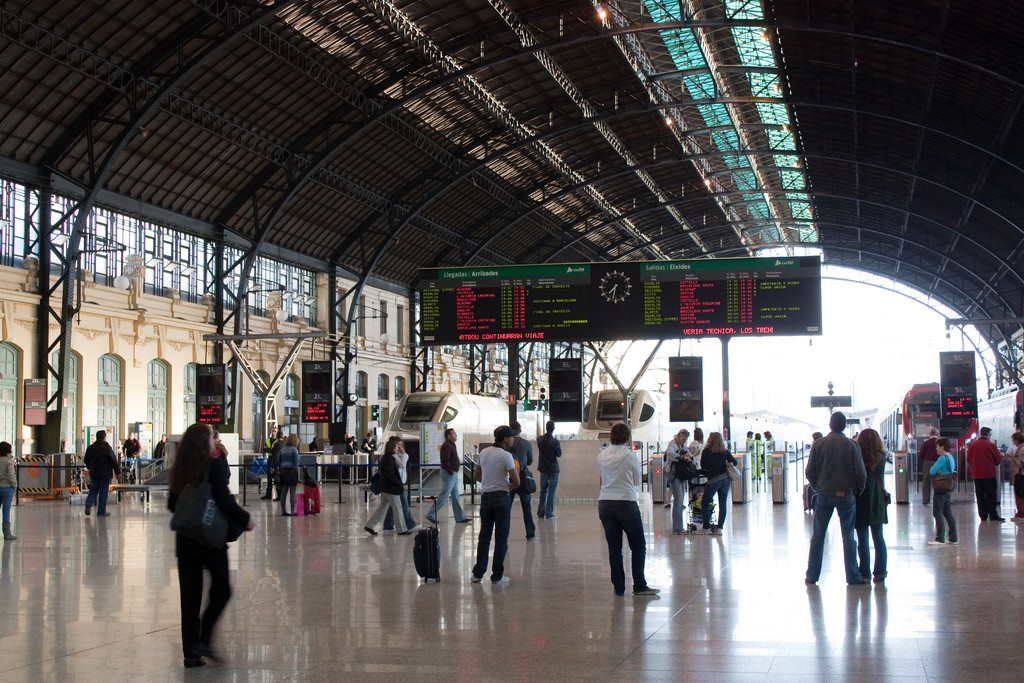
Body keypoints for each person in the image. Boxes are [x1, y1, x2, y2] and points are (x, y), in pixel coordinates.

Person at [168, 423, 254, 668]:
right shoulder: (213, 465)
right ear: (203, 442)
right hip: (210, 539)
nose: (213, 440)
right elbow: (223, 500)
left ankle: (191, 654)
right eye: (210, 437)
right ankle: (204, 638)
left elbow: (173, 506)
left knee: (190, 597)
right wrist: (245, 519)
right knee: (222, 589)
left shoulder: (180, 470)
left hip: (186, 539)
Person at [804, 412, 867, 586]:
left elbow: (809, 471)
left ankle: (812, 575)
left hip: (824, 495)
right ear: (845, 426)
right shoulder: (852, 445)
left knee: (818, 536)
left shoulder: (819, 444)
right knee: (848, 536)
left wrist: (818, 486)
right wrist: (858, 489)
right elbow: (861, 472)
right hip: (846, 495)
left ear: (829, 425)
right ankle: (853, 576)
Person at [597, 423, 659, 597]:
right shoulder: (630, 455)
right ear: (627, 437)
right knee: (638, 545)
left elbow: (601, 479)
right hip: (625, 502)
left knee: (614, 548)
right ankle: (639, 585)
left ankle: (619, 587)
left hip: (605, 502)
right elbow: (638, 481)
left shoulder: (601, 455)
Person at [471, 426, 520, 584]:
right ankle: (497, 576)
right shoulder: (506, 456)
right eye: (511, 437)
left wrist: (488, 482)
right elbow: (516, 481)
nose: (513, 439)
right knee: (501, 537)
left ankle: (478, 574)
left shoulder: (483, 452)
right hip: (501, 498)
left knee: (484, 536)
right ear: (505, 439)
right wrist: (508, 486)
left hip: (486, 498)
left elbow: (477, 475)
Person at [854, 429, 888, 582]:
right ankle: (880, 572)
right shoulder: (882, 456)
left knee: (863, 539)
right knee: (879, 537)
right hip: (878, 498)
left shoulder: (857, 455)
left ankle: (865, 573)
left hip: (861, 498)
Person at [364, 438, 411, 536]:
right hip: (391, 488)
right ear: (392, 448)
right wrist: (398, 483)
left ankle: (370, 525)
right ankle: (401, 529)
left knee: (382, 508)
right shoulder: (390, 459)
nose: (397, 449)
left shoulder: (385, 458)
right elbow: (390, 474)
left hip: (385, 488)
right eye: (396, 447)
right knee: (398, 508)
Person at [426, 428, 470, 524]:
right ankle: (431, 514)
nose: (456, 435)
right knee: (444, 495)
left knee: (455, 496)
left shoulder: (451, 445)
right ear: (448, 436)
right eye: (454, 434)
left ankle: (460, 517)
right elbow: (445, 460)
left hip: (452, 473)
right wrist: (451, 471)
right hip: (448, 473)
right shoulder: (447, 446)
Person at [698, 432, 737, 535]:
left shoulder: (706, 451)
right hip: (725, 480)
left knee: (705, 503)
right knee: (723, 503)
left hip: (713, 481)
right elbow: (735, 462)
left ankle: (706, 528)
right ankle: (720, 528)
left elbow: (703, 465)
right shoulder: (725, 452)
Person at [966, 427, 1004, 522]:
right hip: (989, 473)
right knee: (991, 494)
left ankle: (983, 515)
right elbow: (997, 460)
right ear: (988, 435)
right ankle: (992, 514)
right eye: (990, 435)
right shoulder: (990, 445)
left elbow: (968, 459)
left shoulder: (972, 445)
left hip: (976, 474)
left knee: (980, 494)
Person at [508, 420, 536, 540]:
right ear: (520, 430)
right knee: (526, 508)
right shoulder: (526, 443)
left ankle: (504, 534)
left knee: (506, 508)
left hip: (508, 478)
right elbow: (530, 460)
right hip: (523, 478)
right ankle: (530, 534)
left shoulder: (506, 444)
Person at [928, 437, 959, 545]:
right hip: (948, 487)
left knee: (937, 512)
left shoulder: (942, 458)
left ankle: (940, 538)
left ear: (942, 446)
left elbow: (932, 471)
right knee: (947, 512)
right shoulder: (950, 457)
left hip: (940, 488)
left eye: (937, 446)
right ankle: (953, 537)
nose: (936, 449)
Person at [383, 437, 417, 533]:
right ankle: (409, 525)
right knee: (403, 505)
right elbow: (402, 464)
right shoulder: (393, 457)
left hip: (399, 482)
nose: (400, 447)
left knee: (394, 506)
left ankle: (388, 525)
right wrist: (404, 454)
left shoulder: (396, 456)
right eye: (398, 445)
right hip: (396, 483)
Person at [83, 430, 120, 517]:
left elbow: (86, 460)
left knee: (93, 490)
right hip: (105, 474)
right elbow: (113, 460)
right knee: (103, 492)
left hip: (94, 473)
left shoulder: (90, 448)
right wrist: (118, 472)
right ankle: (101, 511)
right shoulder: (107, 448)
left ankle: (88, 503)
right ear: (104, 437)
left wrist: (90, 467)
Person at [664, 429, 691, 534]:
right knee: (678, 499)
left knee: (680, 499)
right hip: (673, 473)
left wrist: (691, 459)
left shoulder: (683, 446)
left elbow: (689, 455)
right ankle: (677, 528)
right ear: (678, 436)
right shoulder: (673, 444)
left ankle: (679, 527)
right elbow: (670, 453)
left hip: (680, 473)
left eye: (686, 438)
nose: (684, 440)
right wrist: (681, 457)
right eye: (683, 438)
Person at [536, 420, 562, 519]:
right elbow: (559, 454)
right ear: (553, 428)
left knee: (543, 490)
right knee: (551, 491)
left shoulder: (539, 440)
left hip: (543, 468)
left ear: (545, 428)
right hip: (553, 468)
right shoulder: (555, 442)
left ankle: (540, 513)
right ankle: (549, 513)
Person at [277, 435, 302, 516]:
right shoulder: (294, 450)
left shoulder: (282, 449)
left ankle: (283, 511)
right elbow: (296, 463)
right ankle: (292, 511)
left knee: (284, 492)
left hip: (283, 472)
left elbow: (279, 461)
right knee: (292, 492)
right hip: (292, 472)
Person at [1005, 431, 1024, 521]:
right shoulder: (1020, 448)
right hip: (1019, 474)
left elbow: (1020, 463)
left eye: (1014, 440)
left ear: (1018, 439)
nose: (1013, 442)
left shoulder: (1022, 449)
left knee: (1019, 494)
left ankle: (1021, 514)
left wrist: (1012, 457)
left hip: (1020, 474)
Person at [918, 427, 939, 505]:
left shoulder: (926, 442)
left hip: (928, 462)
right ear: (937, 434)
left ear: (930, 434)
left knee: (926, 482)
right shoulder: (940, 442)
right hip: (939, 463)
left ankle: (926, 500)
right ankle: (938, 500)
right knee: (938, 481)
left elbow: (921, 454)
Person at [0, 441, 17, 541]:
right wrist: (15, 485)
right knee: (6, 511)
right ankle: (7, 534)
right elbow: (11, 475)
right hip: (7, 488)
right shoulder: (8, 461)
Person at [259, 427, 279, 500]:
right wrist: (270, 450)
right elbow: (264, 449)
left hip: (276, 460)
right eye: (273, 431)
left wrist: (269, 450)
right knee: (269, 478)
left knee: (277, 478)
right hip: (270, 459)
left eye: (275, 431)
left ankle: (279, 495)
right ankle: (268, 494)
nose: (274, 432)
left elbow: (275, 451)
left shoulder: (278, 441)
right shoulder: (267, 440)